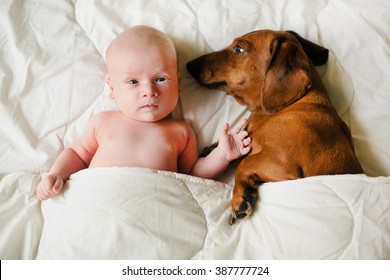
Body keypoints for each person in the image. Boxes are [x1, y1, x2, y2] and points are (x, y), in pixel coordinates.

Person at [36, 25, 251, 200]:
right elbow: (76, 154)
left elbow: (192, 176)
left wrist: (222, 155)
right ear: (111, 89)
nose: (149, 91)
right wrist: (56, 174)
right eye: (133, 82)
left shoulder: (180, 132)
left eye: (160, 79)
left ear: (177, 84)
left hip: (154, 202)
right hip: (100, 197)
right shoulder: (102, 122)